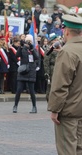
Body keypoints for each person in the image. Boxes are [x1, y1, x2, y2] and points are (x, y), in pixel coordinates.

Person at [48, 14, 82, 155]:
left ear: (66, 31)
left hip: (68, 109)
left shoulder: (67, 52)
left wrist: (55, 109)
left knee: (67, 150)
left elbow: (60, 84)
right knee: (79, 148)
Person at [13, 34, 38, 113]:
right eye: (27, 41)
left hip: (31, 71)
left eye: (29, 41)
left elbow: (37, 57)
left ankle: (34, 107)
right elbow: (17, 55)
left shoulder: (34, 49)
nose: (28, 42)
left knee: (31, 91)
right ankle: (15, 105)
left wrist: (31, 49)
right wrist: (20, 46)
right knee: (19, 89)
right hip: (23, 71)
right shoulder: (22, 48)